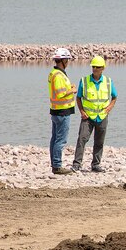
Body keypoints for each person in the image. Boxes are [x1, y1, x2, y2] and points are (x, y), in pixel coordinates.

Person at [71, 56, 117, 172]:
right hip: (88, 117)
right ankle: (77, 164)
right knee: (82, 139)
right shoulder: (84, 81)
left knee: (99, 141)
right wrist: (82, 111)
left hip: (102, 116)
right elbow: (78, 98)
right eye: (93, 67)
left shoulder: (108, 81)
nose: (95, 69)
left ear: (103, 68)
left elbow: (114, 97)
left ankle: (96, 164)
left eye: (97, 67)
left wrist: (109, 108)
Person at [48, 47, 76, 175]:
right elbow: (61, 93)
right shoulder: (59, 75)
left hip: (56, 110)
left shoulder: (55, 73)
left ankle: (54, 164)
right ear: (63, 60)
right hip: (62, 111)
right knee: (61, 140)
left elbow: (59, 90)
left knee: (55, 139)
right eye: (67, 60)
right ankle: (57, 166)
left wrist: (69, 87)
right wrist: (72, 90)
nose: (68, 62)